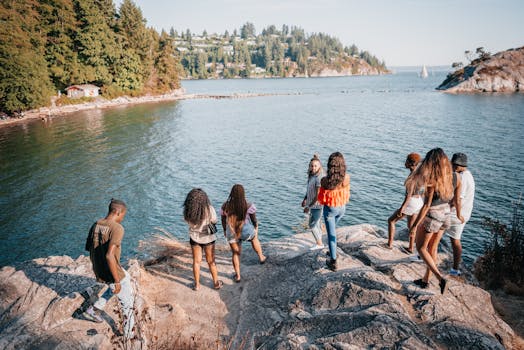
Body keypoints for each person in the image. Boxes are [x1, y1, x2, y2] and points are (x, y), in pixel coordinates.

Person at [408, 148, 464, 294]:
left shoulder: (433, 180)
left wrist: (414, 225)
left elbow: (426, 206)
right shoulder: (456, 177)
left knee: (421, 248)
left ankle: (440, 278)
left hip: (433, 216)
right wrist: (459, 215)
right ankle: (425, 280)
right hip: (446, 214)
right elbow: (457, 200)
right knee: (433, 248)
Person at [83, 199, 135, 339]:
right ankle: (129, 335)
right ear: (118, 212)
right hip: (111, 272)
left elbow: (89, 248)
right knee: (127, 304)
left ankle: (95, 308)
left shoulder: (96, 224)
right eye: (123, 215)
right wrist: (116, 280)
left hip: (99, 270)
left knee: (127, 278)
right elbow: (109, 255)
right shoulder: (117, 228)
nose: (123, 218)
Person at [221, 184, 266, 282]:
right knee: (254, 238)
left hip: (232, 232)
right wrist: (256, 228)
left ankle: (238, 276)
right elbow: (254, 220)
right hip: (246, 230)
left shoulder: (225, 206)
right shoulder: (248, 205)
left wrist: (225, 230)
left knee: (235, 254)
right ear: (243, 194)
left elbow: (223, 220)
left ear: (231, 193)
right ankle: (261, 257)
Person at [183, 188, 223, 291]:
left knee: (196, 262)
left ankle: (197, 285)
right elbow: (215, 220)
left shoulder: (188, 210)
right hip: (208, 239)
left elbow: (186, 221)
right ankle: (216, 283)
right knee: (211, 261)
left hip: (195, 238)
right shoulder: (209, 209)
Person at [317, 152, 350, 271]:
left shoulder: (325, 181)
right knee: (333, 231)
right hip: (342, 208)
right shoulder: (346, 178)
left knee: (331, 234)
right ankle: (332, 251)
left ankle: (333, 262)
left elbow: (321, 198)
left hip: (330, 210)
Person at [387, 153, 423, 253]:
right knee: (411, 226)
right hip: (419, 201)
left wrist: (402, 208)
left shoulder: (411, 178)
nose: (405, 162)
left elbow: (408, 195)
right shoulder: (420, 174)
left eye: (406, 160)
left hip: (411, 202)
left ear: (411, 163)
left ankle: (389, 244)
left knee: (391, 221)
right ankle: (411, 248)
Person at [446, 153, 475, 276]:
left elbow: (457, 199)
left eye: (452, 164)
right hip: (464, 214)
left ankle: (423, 257)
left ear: (457, 165)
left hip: (455, 215)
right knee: (456, 240)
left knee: (433, 234)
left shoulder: (461, 177)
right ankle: (455, 269)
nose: (450, 166)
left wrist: (445, 208)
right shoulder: (469, 175)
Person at [301, 154, 325, 250]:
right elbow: (309, 190)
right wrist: (305, 199)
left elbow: (318, 196)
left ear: (319, 166)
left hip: (317, 205)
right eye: (311, 165)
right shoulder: (312, 175)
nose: (313, 167)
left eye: (315, 165)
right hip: (312, 204)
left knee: (312, 225)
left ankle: (319, 244)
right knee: (317, 223)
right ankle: (320, 242)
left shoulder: (319, 177)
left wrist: (308, 207)